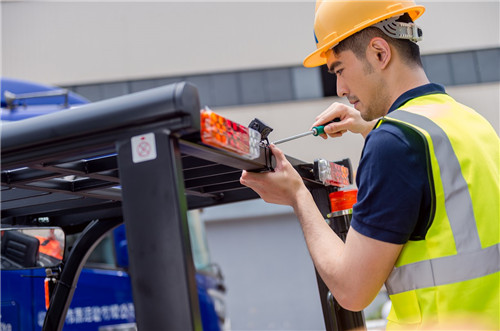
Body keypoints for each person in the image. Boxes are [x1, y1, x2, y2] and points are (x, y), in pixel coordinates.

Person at [240, 0, 499, 329]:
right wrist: (369, 127)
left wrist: (297, 195)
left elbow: (352, 290)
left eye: (339, 70)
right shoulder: (469, 122)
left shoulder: (393, 143)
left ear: (379, 52)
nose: (340, 89)